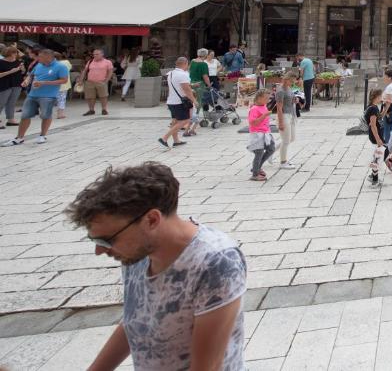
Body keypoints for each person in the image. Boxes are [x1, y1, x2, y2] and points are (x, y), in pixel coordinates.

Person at [65, 162, 247, 370]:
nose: (100, 251)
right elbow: (137, 319)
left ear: (151, 220)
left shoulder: (216, 262)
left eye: (107, 240)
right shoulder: (137, 253)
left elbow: (207, 366)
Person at [2, 49, 68, 146]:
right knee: (25, 116)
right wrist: (27, 81)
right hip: (32, 95)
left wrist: (44, 83)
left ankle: (42, 135)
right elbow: (31, 75)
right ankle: (19, 138)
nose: (38, 59)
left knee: (45, 115)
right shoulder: (39, 65)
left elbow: (64, 80)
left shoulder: (61, 66)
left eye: (40, 57)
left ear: (48, 57)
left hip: (48, 96)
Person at [160, 57, 193, 148]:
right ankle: (164, 138)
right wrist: (194, 100)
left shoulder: (170, 73)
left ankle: (176, 141)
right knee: (185, 120)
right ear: (185, 64)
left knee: (175, 121)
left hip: (171, 101)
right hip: (179, 102)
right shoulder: (183, 74)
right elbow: (187, 89)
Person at [246, 90, 275, 181]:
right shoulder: (254, 109)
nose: (268, 100)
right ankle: (255, 174)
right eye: (266, 98)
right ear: (258, 98)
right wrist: (265, 115)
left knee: (271, 148)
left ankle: (257, 167)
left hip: (265, 133)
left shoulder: (263, 106)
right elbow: (253, 123)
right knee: (259, 153)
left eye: (268, 98)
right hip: (257, 134)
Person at [275, 69, 300, 169]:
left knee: (291, 139)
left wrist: (295, 100)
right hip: (284, 116)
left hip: (291, 115)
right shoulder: (280, 91)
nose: (293, 83)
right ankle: (283, 162)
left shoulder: (288, 88)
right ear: (286, 79)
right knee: (286, 140)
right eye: (292, 81)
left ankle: (271, 151)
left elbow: (290, 99)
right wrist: (280, 123)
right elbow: (279, 108)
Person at [79, 48, 114, 116]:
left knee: (103, 96)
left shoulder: (107, 62)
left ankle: (104, 109)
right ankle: (91, 110)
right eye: (94, 54)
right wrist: (81, 80)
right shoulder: (90, 61)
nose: (95, 55)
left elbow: (110, 72)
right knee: (90, 97)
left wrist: (106, 80)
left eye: (97, 54)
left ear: (102, 54)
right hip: (90, 82)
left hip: (101, 81)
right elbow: (85, 71)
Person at [364, 89, 387, 185]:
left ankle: (374, 176)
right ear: (376, 97)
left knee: (378, 156)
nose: (381, 98)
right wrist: (378, 139)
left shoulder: (373, 107)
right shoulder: (373, 109)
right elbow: (373, 125)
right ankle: (374, 179)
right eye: (381, 96)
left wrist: (386, 108)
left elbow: (380, 117)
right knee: (377, 157)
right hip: (376, 136)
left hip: (377, 135)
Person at [0, 46, 25, 128]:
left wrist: (22, 69)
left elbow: (23, 72)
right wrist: (11, 71)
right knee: (1, 103)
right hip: (4, 84)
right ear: (10, 54)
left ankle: (10, 119)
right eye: (15, 52)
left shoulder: (18, 61)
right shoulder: (1, 62)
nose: (16, 54)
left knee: (12, 102)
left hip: (17, 84)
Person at [55, 51, 73, 119]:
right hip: (64, 84)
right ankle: (60, 114)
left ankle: (46, 113)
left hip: (53, 84)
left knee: (51, 99)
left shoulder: (51, 64)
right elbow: (70, 68)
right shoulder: (66, 62)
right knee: (62, 99)